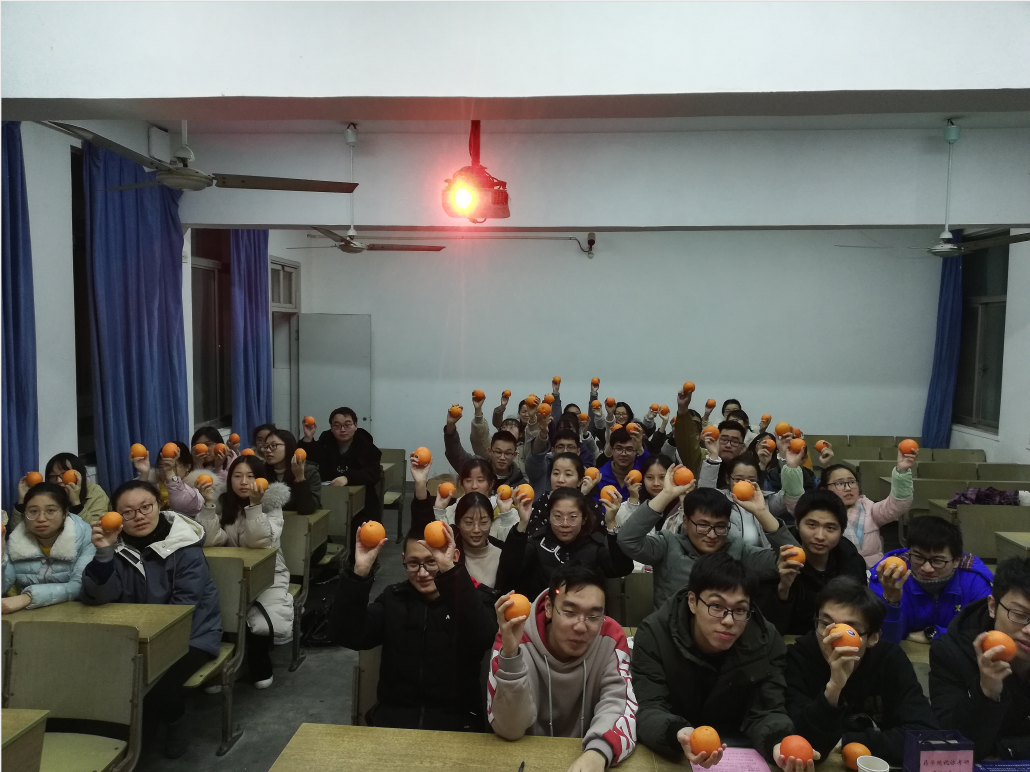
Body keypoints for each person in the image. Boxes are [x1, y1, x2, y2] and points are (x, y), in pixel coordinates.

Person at [81, 480, 221, 758]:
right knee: (97, 675)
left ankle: (176, 718)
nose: (139, 516)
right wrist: (104, 553)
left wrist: (146, 645)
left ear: (160, 505)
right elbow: (97, 598)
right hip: (135, 636)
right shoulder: (115, 547)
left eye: (146, 507)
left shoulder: (185, 548)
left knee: (159, 685)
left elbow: (183, 609)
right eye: (128, 512)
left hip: (192, 635)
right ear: (116, 516)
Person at [631, 553, 805, 767]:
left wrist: (778, 744)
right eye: (716, 606)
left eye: (740, 609)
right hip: (673, 751)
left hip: (740, 751)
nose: (729, 620)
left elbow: (767, 709)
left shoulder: (767, 642)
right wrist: (679, 733)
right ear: (693, 602)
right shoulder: (654, 634)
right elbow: (650, 706)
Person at [329, 520, 497, 731]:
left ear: (454, 557)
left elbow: (483, 637)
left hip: (456, 725)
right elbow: (347, 635)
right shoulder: (393, 599)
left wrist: (450, 573)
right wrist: (359, 573)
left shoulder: (475, 600)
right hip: (394, 724)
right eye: (413, 563)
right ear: (403, 560)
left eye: (432, 562)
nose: (423, 573)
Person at [488, 565, 637, 772]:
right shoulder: (514, 636)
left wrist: (599, 753)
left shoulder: (611, 638)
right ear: (549, 607)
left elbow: (618, 705)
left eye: (594, 616)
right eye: (569, 612)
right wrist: (511, 656)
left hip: (587, 755)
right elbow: (509, 729)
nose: (580, 626)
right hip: (526, 758)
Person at [785, 577, 938, 764]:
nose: (833, 636)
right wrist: (833, 688)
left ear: (873, 637)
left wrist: (847, 741)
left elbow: (925, 737)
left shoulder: (890, 659)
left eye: (849, 630)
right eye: (825, 624)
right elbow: (801, 743)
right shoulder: (799, 657)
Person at [619, 467, 800, 610]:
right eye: (703, 525)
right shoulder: (667, 544)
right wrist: (666, 494)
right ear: (686, 521)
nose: (712, 535)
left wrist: (761, 512)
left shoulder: (738, 550)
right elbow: (628, 540)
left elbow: (794, 558)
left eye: (720, 526)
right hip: (671, 635)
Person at [198, 456, 293, 688]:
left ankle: (258, 660)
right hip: (231, 572)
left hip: (268, 572)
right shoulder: (223, 503)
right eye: (237, 476)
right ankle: (217, 669)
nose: (243, 482)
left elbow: (259, 543)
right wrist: (208, 505)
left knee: (258, 618)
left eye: (251, 476)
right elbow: (210, 541)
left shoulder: (272, 504)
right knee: (213, 610)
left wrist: (255, 506)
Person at [929, 557, 1030, 760]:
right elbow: (951, 746)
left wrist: (1005, 751)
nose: (1028, 630)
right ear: (992, 606)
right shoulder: (952, 652)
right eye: (1019, 614)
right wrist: (986, 691)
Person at [870, 515, 992, 644]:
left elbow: (986, 633)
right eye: (918, 557)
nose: (926, 568)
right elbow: (882, 642)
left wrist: (934, 634)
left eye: (938, 561)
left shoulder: (975, 581)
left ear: (956, 561)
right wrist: (891, 600)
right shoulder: (887, 577)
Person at [496, 488, 633, 600]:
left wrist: (611, 522)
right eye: (557, 516)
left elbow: (622, 568)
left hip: (586, 613)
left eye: (573, 517)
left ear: (584, 518)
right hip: (544, 614)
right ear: (549, 517)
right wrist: (523, 523)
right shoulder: (537, 542)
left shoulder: (595, 544)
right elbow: (509, 569)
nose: (565, 524)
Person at [769, 491, 868, 635]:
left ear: (841, 531)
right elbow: (771, 629)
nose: (820, 536)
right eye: (811, 525)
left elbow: (862, 615)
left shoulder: (852, 561)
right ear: (797, 523)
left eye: (830, 528)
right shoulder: (780, 560)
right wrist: (783, 589)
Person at [808, 442, 917, 567]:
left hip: (871, 573)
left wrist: (902, 471)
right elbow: (793, 501)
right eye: (840, 484)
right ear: (825, 489)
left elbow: (898, 504)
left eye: (852, 482)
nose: (848, 488)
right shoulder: (818, 512)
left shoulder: (870, 509)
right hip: (834, 573)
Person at [2, 483, 95, 612]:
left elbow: (79, 586)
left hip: (78, 614)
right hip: (30, 617)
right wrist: (1, 559)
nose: (41, 518)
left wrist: (28, 597)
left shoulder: (86, 538)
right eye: (33, 511)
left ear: (65, 513)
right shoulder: (15, 541)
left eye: (50, 511)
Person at [299, 407, 383, 522]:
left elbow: (374, 472)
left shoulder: (366, 445)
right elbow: (308, 463)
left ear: (355, 426)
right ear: (331, 428)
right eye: (337, 426)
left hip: (363, 501)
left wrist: (347, 478)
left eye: (347, 425)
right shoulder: (325, 443)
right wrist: (308, 438)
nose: (342, 430)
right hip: (328, 496)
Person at [445, 402, 526, 490]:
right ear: (490, 452)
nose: (502, 457)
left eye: (507, 453)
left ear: (514, 455)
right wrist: (450, 425)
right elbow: (455, 455)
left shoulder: (520, 484)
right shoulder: (477, 467)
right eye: (498, 452)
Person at [132, 441, 215, 518]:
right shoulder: (153, 485)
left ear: (187, 467)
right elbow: (136, 503)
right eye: (161, 466)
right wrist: (144, 473)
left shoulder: (198, 486)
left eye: (173, 466)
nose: (165, 470)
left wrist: (170, 473)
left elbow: (183, 505)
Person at [262, 428, 321, 514]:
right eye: (265, 446)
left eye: (273, 445)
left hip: (299, 521)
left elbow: (307, 509)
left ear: (288, 447)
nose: (268, 450)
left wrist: (300, 478)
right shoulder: (261, 471)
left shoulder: (309, 471)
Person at [42, 452, 110, 525]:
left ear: (79, 474)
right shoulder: (46, 494)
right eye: (52, 476)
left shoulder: (95, 492)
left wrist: (76, 503)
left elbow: (95, 527)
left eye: (64, 474)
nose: (58, 480)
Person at [592, 427, 648, 503]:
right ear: (612, 450)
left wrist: (640, 448)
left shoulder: (644, 473)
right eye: (619, 448)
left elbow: (651, 465)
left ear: (636, 451)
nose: (623, 454)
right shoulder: (599, 477)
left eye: (629, 449)